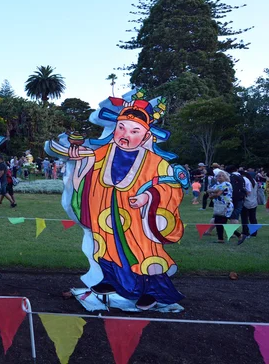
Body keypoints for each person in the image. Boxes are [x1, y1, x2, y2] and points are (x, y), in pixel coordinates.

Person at [67, 100, 186, 310]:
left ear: (146, 135)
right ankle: (111, 280)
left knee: (142, 251)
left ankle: (151, 291)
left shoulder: (157, 163)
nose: (125, 135)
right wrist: (79, 160)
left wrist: (148, 197)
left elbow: (170, 188)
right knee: (106, 246)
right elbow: (87, 170)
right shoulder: (103, 152)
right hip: (106, 212)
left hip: (138, 219)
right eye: (121, 127)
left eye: (134, 131)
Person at [208, 171, 234, 243]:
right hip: (219, 205)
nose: (218, 177)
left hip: (225, 206)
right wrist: (213, 192)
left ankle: (239, 235)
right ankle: (220, 239)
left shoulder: (226, 184)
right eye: (217, 176)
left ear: (225, 177)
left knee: (220, 222)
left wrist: (213, 192)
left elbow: (217, 194)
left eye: (221, 176)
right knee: (218, 221)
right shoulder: (218, 184)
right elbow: (209, 191)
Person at [241, 171, 258, 237]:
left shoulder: (245, 181)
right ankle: (254, 232)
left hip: (246, 201)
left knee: (244, 218)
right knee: (253, 218)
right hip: (254, 201)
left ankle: (245, 232)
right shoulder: (254, 181)